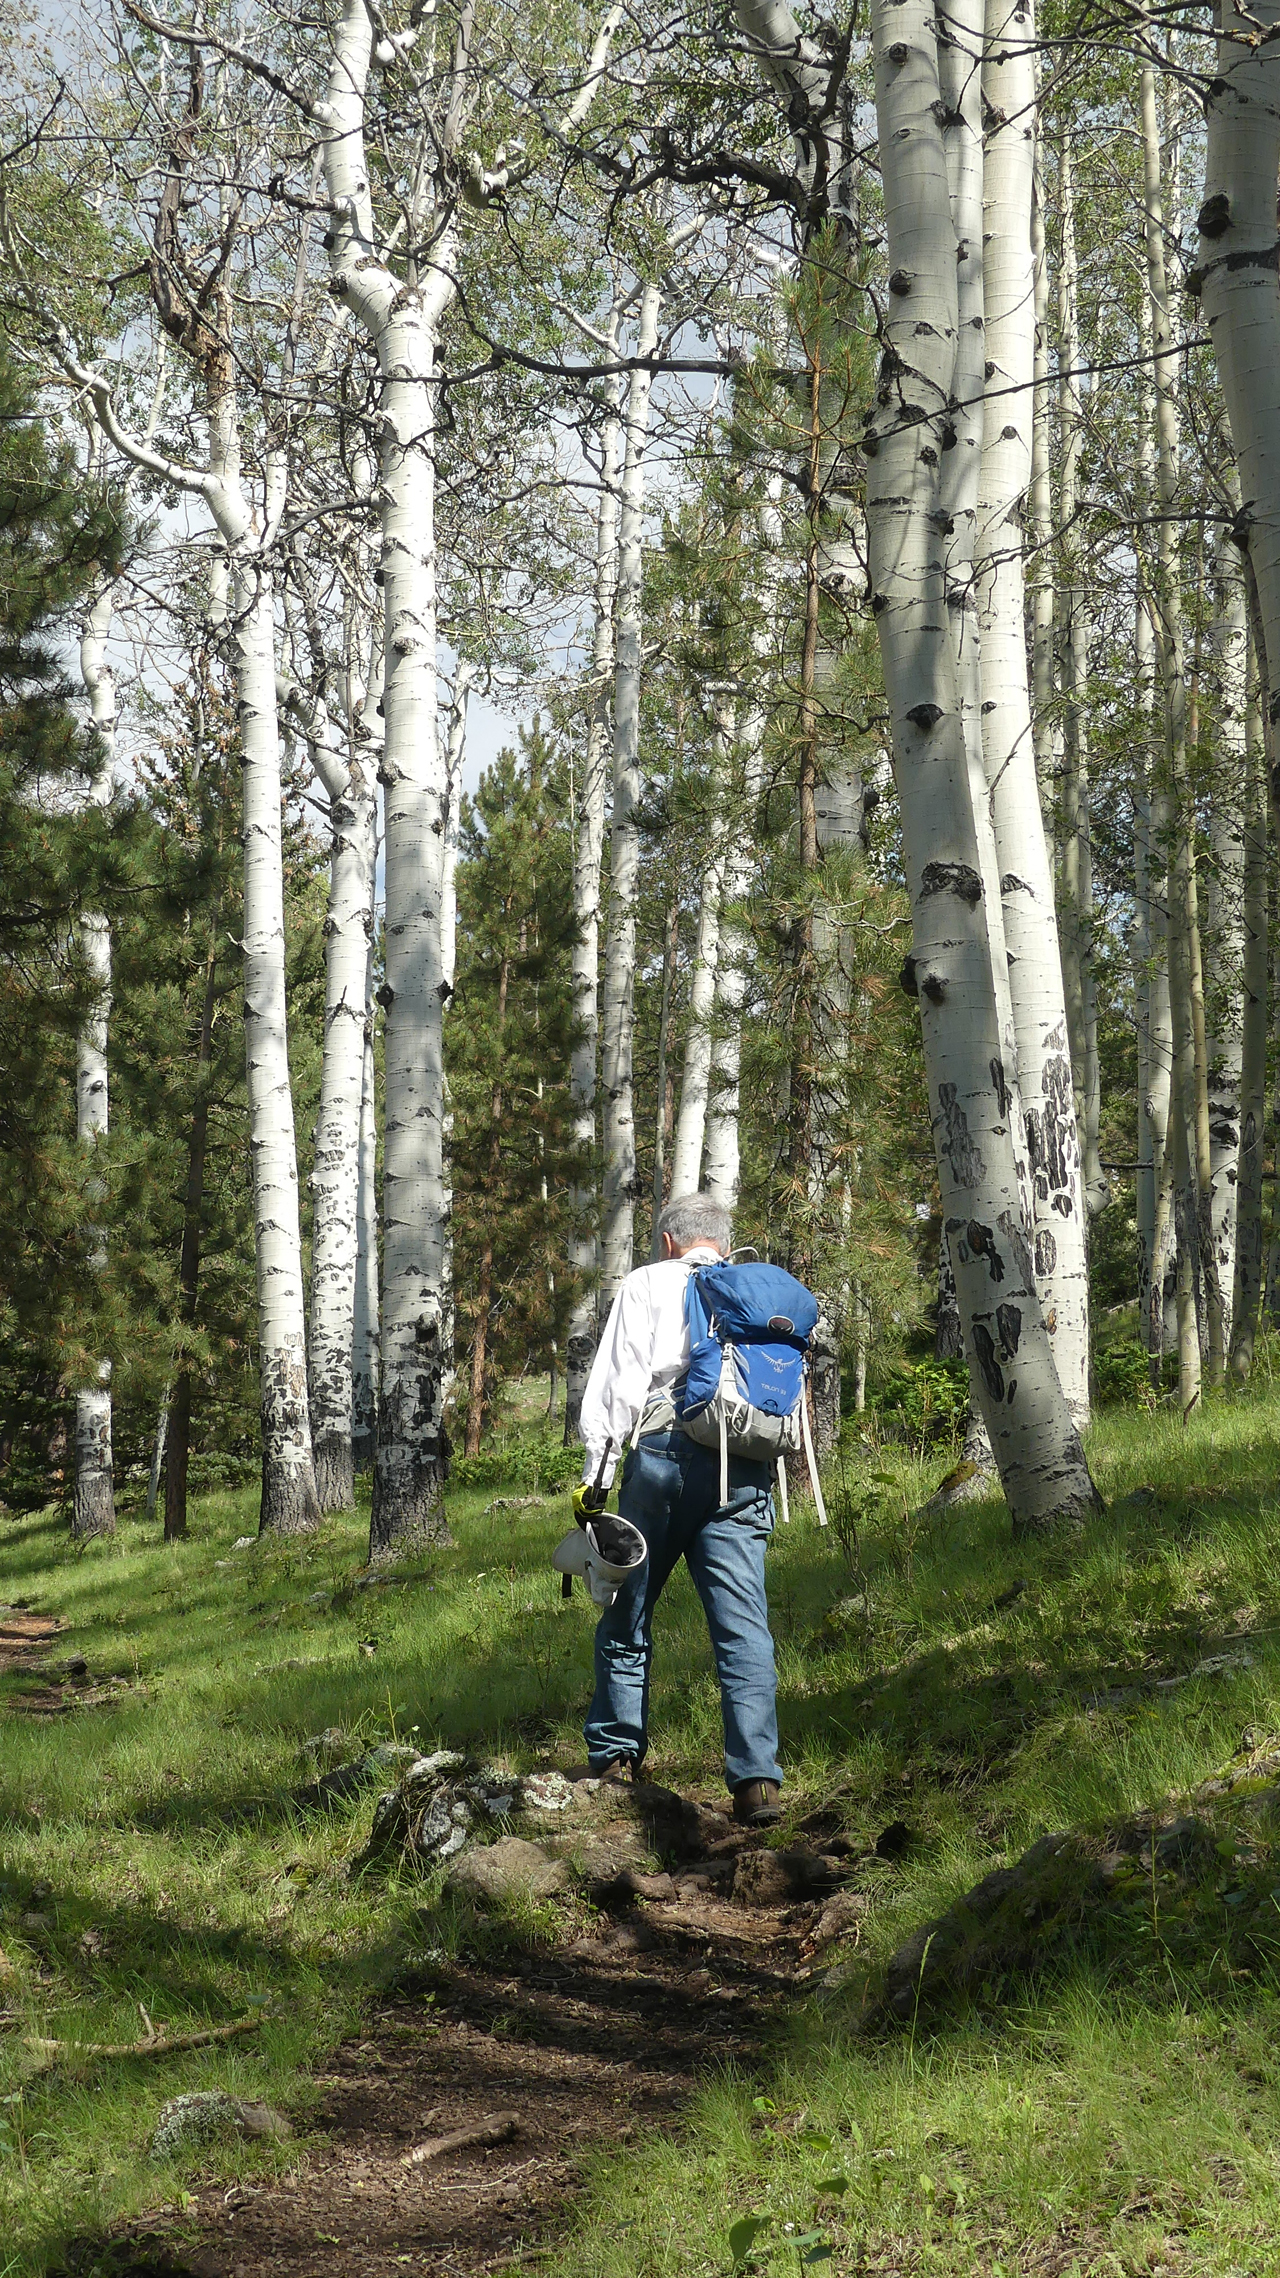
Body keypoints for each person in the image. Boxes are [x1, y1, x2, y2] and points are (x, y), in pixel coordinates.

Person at [576, 1191, 783, 1827]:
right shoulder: (754, 1287)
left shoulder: (647, 1283)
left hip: (665, 1457)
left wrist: (596, 1481)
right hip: (745, 1464)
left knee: (626, 1608)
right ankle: (756, 1783)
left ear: (669, 1241)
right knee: (742, 1625)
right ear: (721, 1241)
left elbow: (619, 1382)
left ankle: (615, 1758)